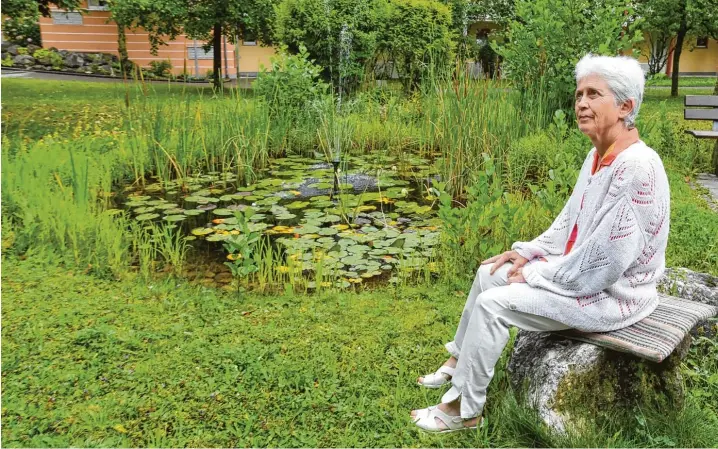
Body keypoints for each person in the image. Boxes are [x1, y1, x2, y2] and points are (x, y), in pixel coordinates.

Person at [411, 53, 671, 433]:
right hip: (588, 281)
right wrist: (526, 252)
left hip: (615, 298)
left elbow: (602, 266)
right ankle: (459, 364)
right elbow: (568, 223)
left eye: (594, 94)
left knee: (494, 304)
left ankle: (465, 411)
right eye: (579, 93)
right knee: (491, 272)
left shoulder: (637, 168)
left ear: (625, 106)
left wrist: (535, 275)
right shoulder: (597, 157)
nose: (581, 102)